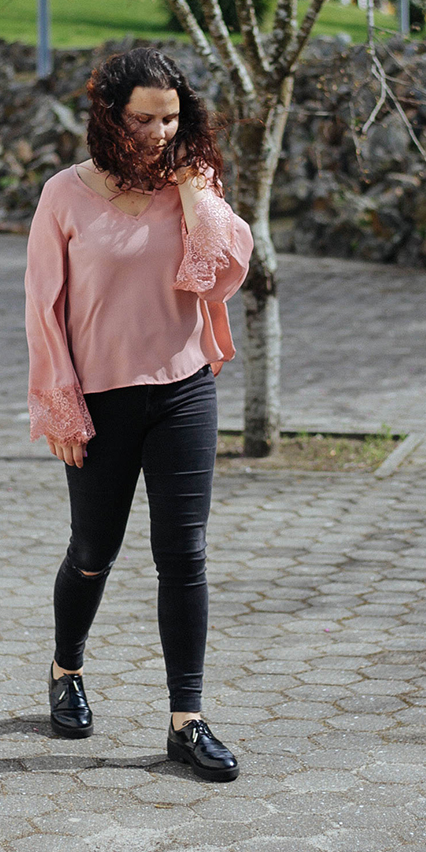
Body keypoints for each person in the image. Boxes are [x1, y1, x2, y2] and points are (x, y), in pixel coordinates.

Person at [24, 47, 253, 782]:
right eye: (144, 120)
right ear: (110, 117)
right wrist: (60, 405)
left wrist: (195, 195)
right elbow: (43, 309)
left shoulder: (192, 186)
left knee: (184, 555)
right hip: (99, 399)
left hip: (183, 390)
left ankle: (187, 721)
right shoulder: (64, 195)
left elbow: (221, 275)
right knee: (94, 548)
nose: (160, 133)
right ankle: (66, 669)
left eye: (171, 118)